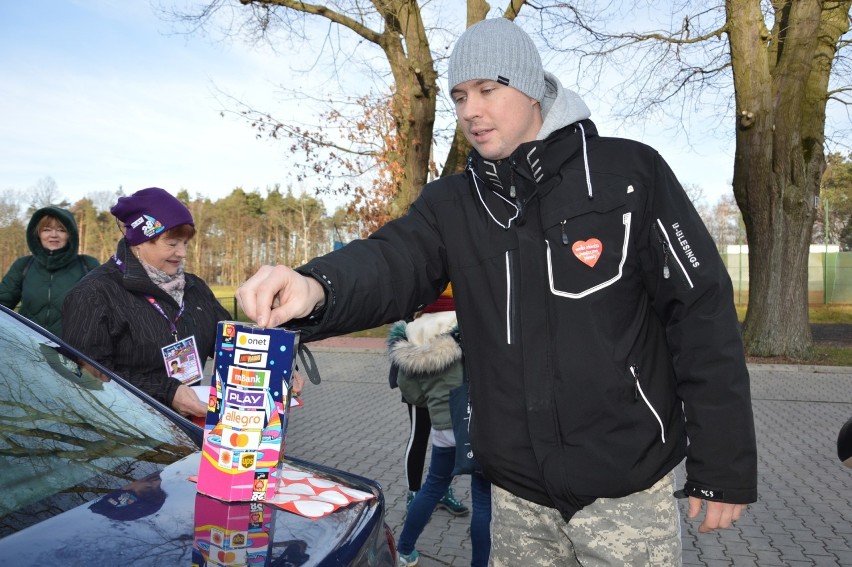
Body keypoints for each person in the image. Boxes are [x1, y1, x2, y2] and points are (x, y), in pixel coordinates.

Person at [235, 17, 757, 566]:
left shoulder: (629, 174)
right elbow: (393, 260)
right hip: (516, 499)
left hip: (625, 491)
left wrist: (722, 467)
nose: (470, 111)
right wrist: (316, 286)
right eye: (460, 96)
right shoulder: (453, 203)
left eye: (488, 89)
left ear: (532, 88)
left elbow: (701, 314)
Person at [63, 187, 231, 418]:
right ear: (139, 241)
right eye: (172, 244)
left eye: (185, 243)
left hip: (191, 426)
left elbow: (230, 342)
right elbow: (88, 374)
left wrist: (277, 369)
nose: (182, 253)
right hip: (129, 433)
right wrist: (166, 391)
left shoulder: (195, 287)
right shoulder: (94, 294)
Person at [389, 304, 491, 567]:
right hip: (477, 426)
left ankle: (404, 550)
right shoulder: (469, 329)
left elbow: (412, 394)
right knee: (482, 499)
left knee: (433, 487)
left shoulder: (413, 336)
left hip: (443, 429)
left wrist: (435, 399)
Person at [388, 285, 469, 518]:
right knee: (419, 435)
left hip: (450, 359)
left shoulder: (458, 270)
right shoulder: (423, 270)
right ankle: (414, 492)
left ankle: (442, 490)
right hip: (418, 358)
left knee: (444, 437)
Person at [0, 206, 99, 336]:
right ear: (38, 234)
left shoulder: (88, 265)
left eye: (61, 230)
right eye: (47, 229)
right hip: (29, 349)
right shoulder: (23, 265)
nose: (53, 235)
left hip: (73, 351)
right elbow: (3, 304)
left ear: (70, 235)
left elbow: (107, 311)